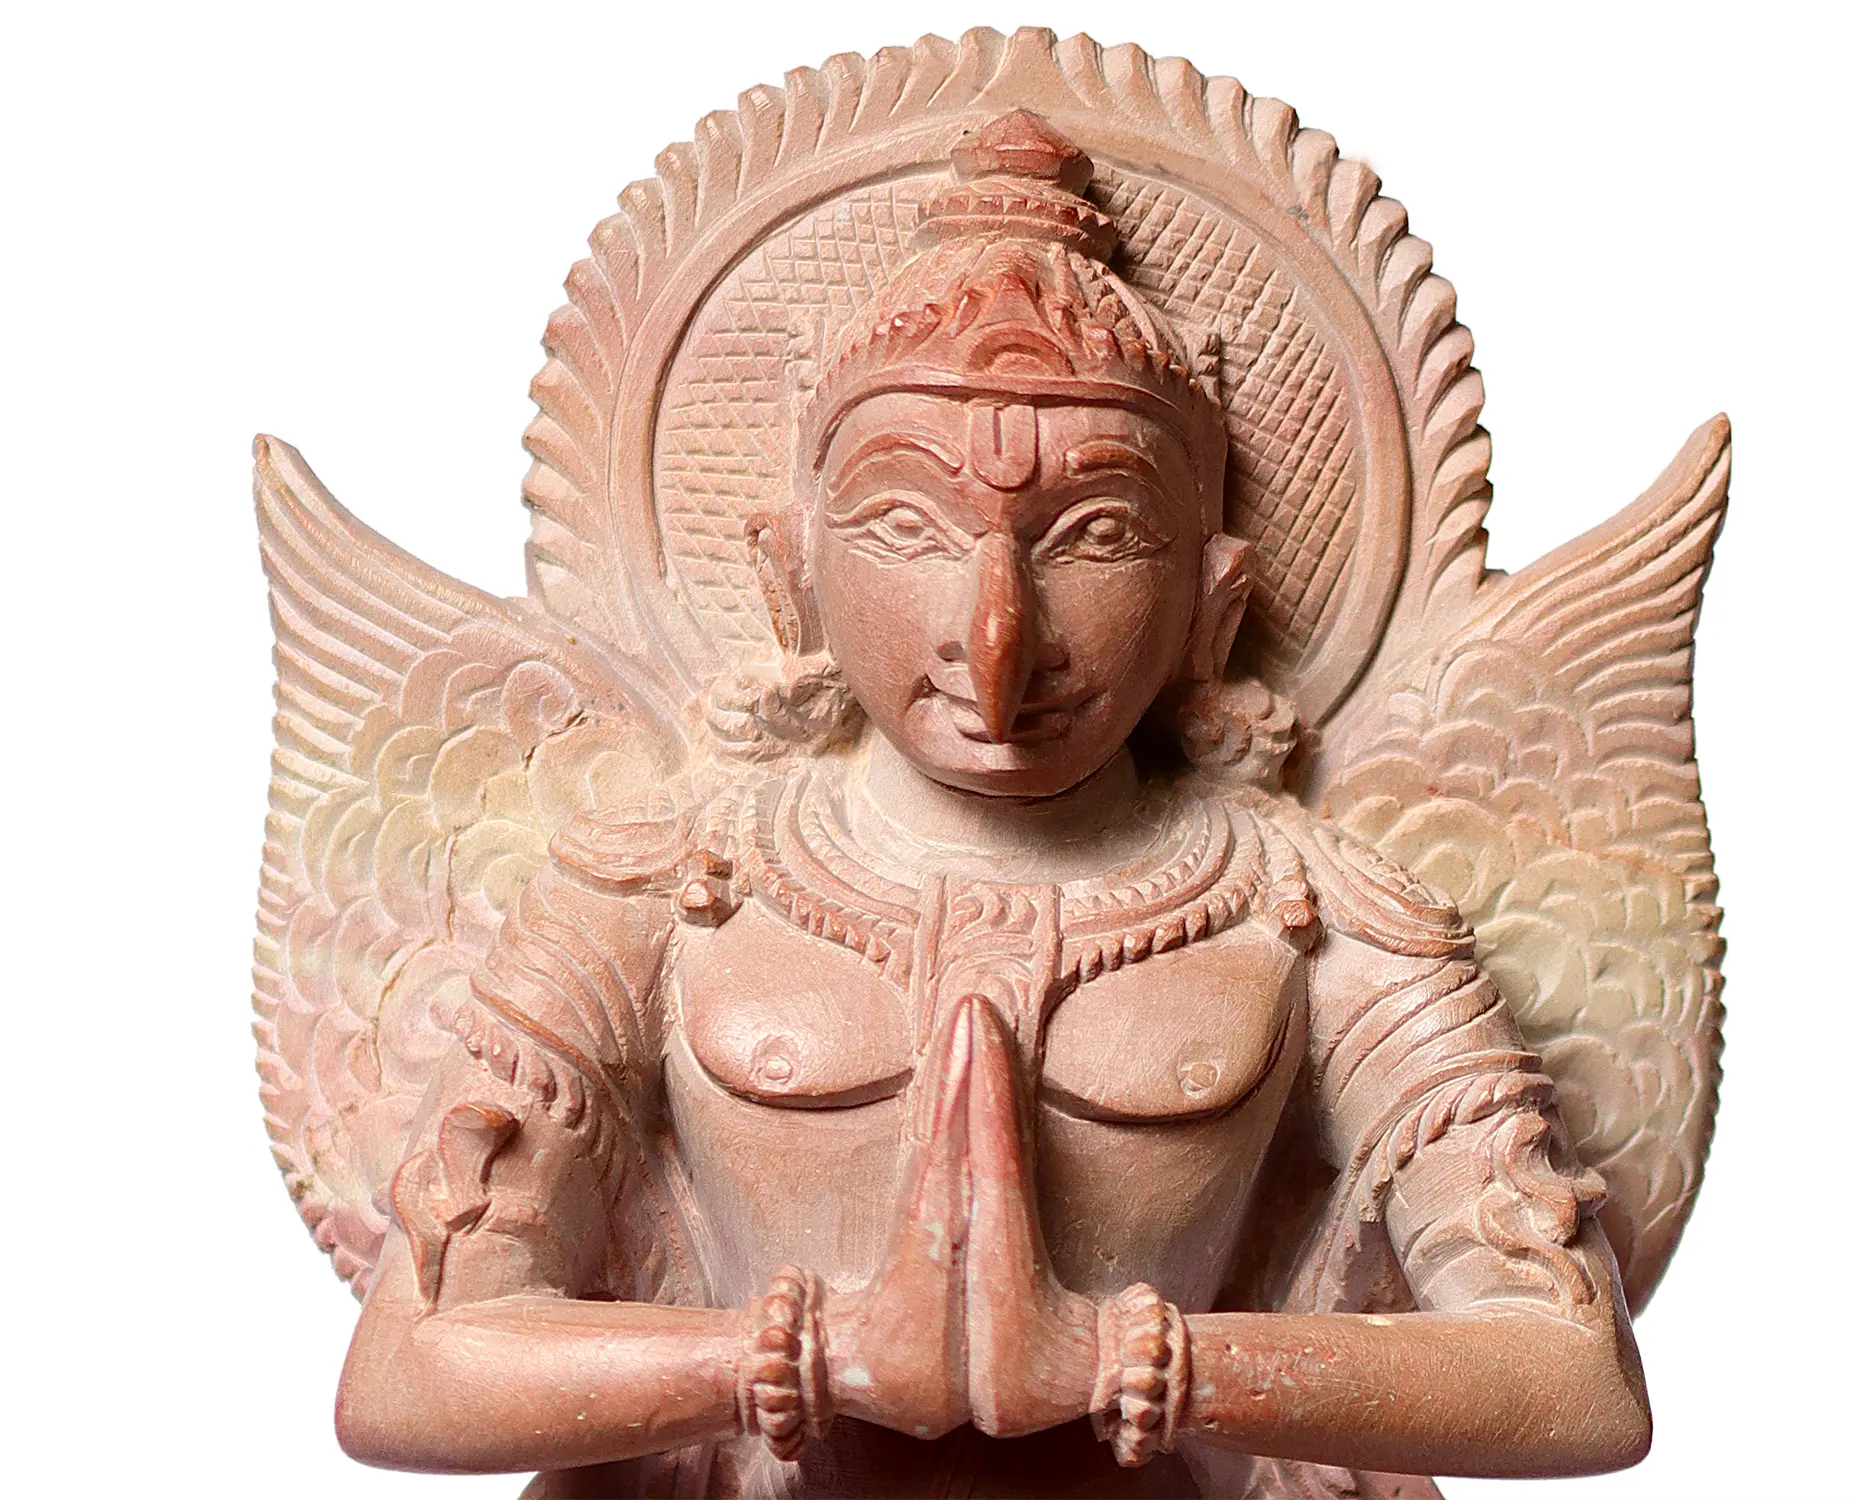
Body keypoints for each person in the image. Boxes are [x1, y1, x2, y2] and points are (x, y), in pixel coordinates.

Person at [333, 112, 1648, 1500]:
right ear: (791, 576)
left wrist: (1131, 1365)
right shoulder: (667, 888)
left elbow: (1576, 1376)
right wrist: (814, 1357)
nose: (997, 635)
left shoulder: (1315, 915)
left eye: (1099, 535)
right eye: (907, 525)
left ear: (1212, 603)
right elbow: (409, 1369)